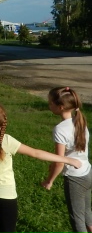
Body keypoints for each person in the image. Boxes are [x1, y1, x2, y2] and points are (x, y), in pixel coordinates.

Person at [0, 102, 82, 233]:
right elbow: (36, 153)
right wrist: (68, 160)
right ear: (3, 120)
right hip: (5, 195)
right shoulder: (6, 141)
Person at [42, 87, 92, 233]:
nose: (49, 105)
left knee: (77, 220)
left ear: (61, 107)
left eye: (50, 103)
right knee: (87, 213)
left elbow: (60, 161)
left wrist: (49, 181)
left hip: (75, 178)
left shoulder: (60, 129)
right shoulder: (80, 121)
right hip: (88, 172)